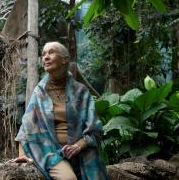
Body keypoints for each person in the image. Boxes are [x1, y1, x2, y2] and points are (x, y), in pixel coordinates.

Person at [11, 42, 108, 180]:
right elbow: (26, 129)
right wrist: (22, 156)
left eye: (51, 52)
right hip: (49, 152)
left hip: (80, 151)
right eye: (43, 54)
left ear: (65, 59)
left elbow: (95, 129)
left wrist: (78, 146)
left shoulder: (81, 91)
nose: (46, 57)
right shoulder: (40, 92)